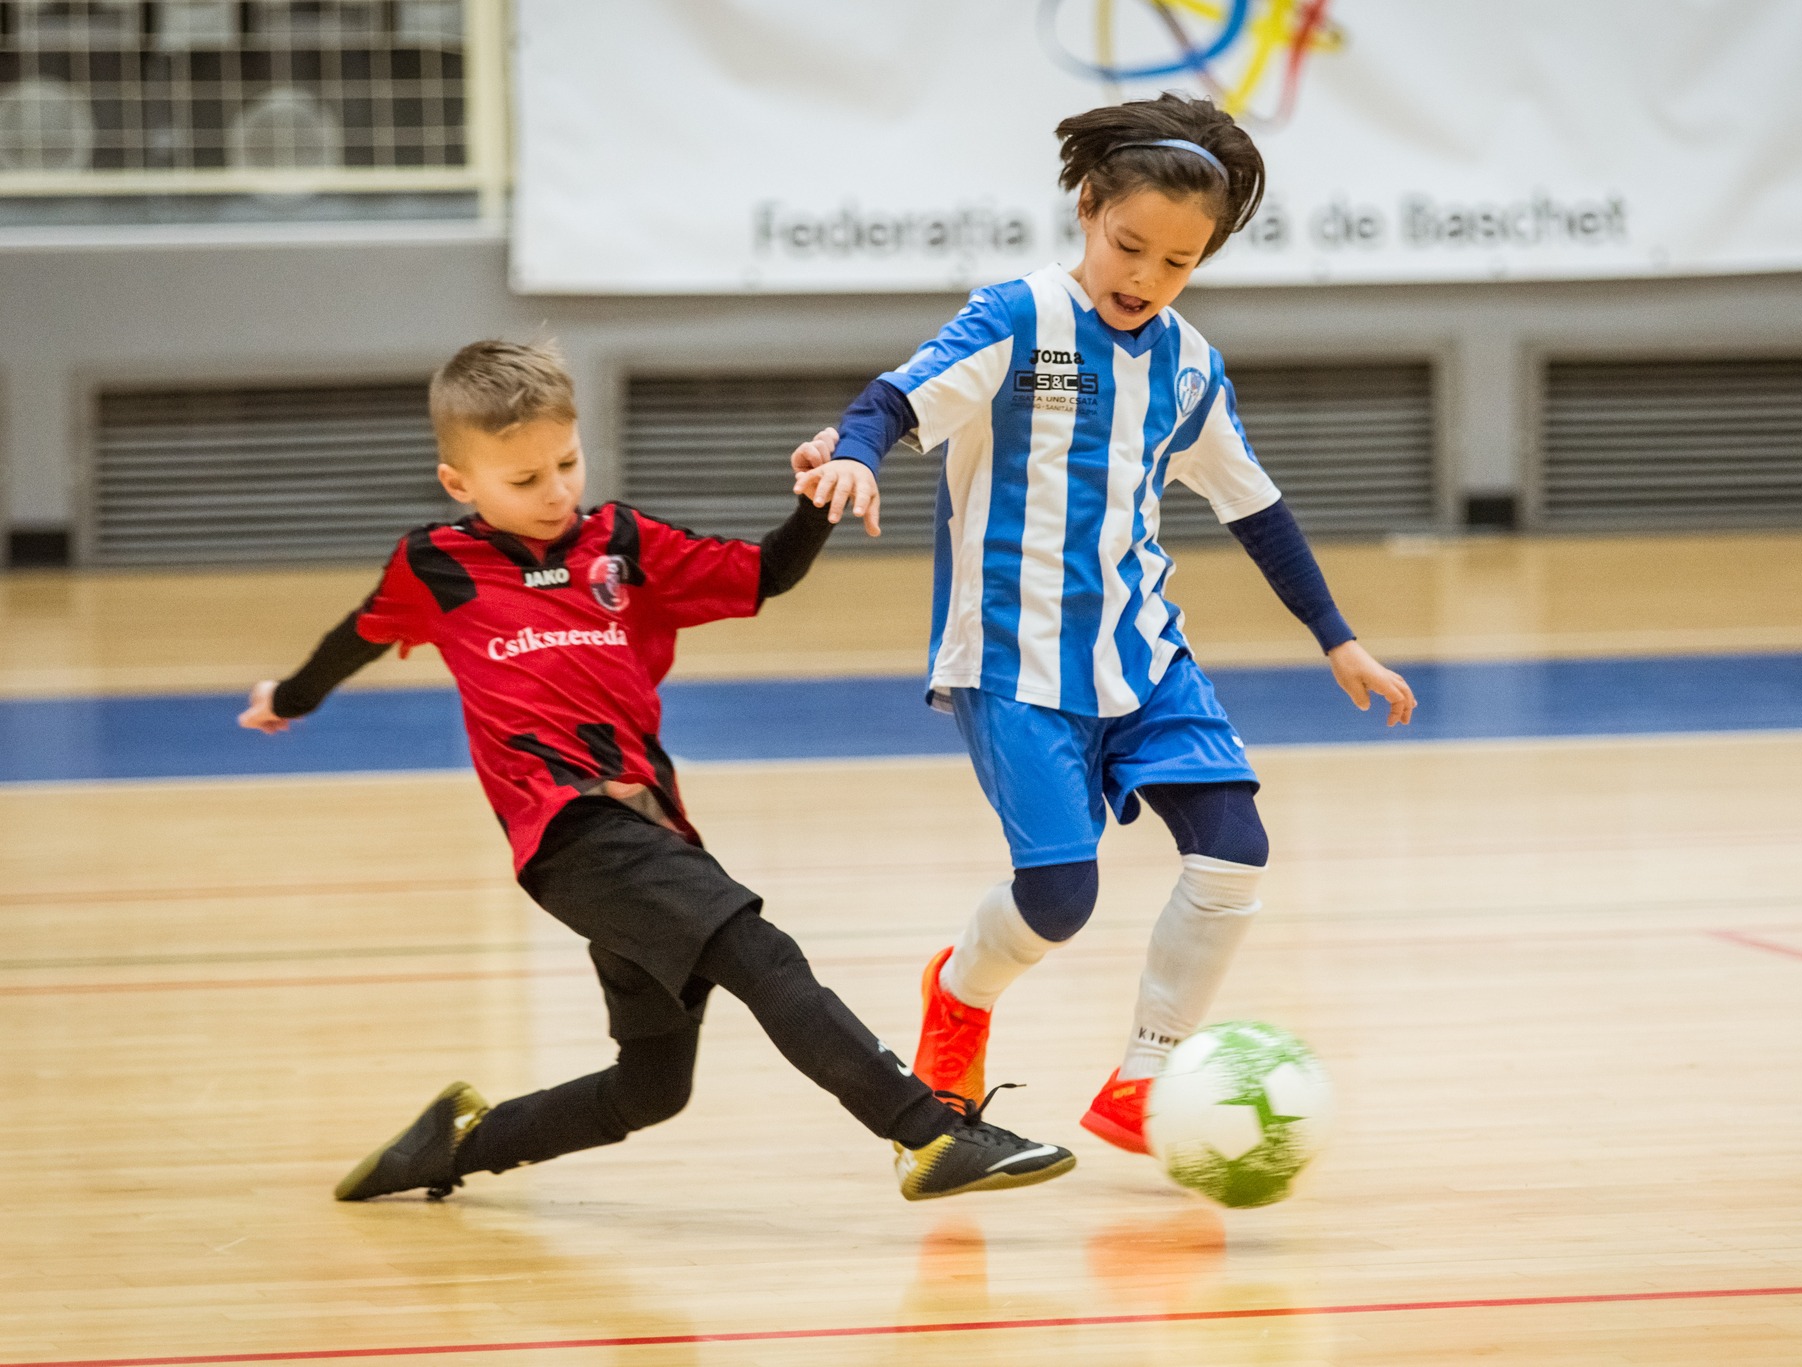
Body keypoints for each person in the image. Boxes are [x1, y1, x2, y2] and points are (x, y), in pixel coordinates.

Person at [239, 339, 1074, 1203]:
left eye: (566, 462)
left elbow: (765, 574)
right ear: (462, 485)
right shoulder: (435, 565)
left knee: (651, 1088)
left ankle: (451, 1143)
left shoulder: (622, 543)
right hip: (567, 833)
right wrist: (290, 698)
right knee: (763, 955)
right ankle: (929, 1134)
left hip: (651, 823)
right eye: (524, 481)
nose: (556, 489)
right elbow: (357, 636)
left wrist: (820, 499)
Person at [791, 95, 1417, 1155]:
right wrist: (854, 448)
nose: (1144, 278)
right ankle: (958, 991)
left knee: (1233, 849)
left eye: (1177, 263)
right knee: (1058, 895)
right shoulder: (1014, 319)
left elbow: (1252, 505)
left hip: (1144, 652)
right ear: (1086, 209)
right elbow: (895, 399)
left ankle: (1147, 1072)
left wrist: (1334, 634)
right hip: (1011, 661)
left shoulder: (1186, 364)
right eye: (1128, 246)